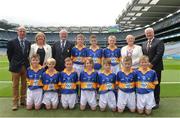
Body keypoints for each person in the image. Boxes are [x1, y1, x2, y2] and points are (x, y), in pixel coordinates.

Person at [7, 26, 31, 110]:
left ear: (25, 33)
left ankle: (23, 100)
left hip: (25, 67)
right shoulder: (11, 42)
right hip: (15, 67)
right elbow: (9, 55)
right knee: (15, 85)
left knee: (24, 85)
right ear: (17, 32)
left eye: (23, 31)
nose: (22, 33)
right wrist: (13, 63)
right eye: (20, 31)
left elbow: (27, 55)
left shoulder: (28, 42)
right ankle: (15, 103)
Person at [142, 27, 164, 109]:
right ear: (145, 34)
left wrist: (151, 64)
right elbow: (144, 56)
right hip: (146, 68)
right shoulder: (144, 43)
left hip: (156, 67)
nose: (148, 34)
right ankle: (149, 101)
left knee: (156, 84)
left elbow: (159, 54)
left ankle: (156, 102)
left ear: (153, 33)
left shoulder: (159, 41)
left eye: (150, 32)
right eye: (147, 33)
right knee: (148, 84)